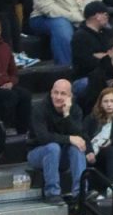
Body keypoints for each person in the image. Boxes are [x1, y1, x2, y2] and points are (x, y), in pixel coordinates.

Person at [27, 78, 87, 207]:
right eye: (56, 92)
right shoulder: (39, 109)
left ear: (70, 96)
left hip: (62, 156)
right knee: (53, 148)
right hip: (37, 153)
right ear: (51, 93)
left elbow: (80, 137)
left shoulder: (75, 110)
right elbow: (43, 138)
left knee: (77, 148)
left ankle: (80, 193)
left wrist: (66, 115)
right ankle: (52, 193)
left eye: (63, 94)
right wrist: (69, 139)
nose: (58, 97)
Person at [29, 0, 104, 67]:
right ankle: (67, 69)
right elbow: (47, 8)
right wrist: (77, 17)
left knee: (104, 24)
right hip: (46, 18)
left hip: (83, 18)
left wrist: (93, 15)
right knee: (61, 25)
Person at [82, 87, 113, 191]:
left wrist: (112, 141)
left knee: (111, 149)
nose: (109, 104)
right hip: (91, 152)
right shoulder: (91, 119)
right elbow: (84, 136)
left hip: (109, 153)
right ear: (100, 103)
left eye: (112, 101)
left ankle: (112, 186)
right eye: (105, 101)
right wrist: (89, 151)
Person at [70, 0, 113, 91]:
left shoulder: (108, 33)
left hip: (108, 74)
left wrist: (102, 56)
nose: (108, 17)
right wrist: (107, 56)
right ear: (97, 16)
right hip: (85, 78)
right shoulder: (80, 36)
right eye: (105, 14)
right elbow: (86, 63)